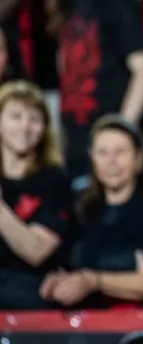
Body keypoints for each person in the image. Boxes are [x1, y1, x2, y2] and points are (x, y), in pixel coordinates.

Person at [47, 0, 143, 189]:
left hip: (110, 150)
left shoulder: (120, 2)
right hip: (74, 142)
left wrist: (121, 131)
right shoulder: (61, 2)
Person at [40, 116, 143, 309]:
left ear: (139, 158)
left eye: (120, 152)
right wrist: (58, 282)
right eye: (102, 153)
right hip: (85, 324)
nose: (111, 162)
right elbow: (72, 267)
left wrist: (94, 281)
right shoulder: (83, 209)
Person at [0, 81, 72, 309]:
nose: (25, 126)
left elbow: (36, 251)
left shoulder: (55, 181)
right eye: (15, 116)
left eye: (34, 119)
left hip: (29, 296)